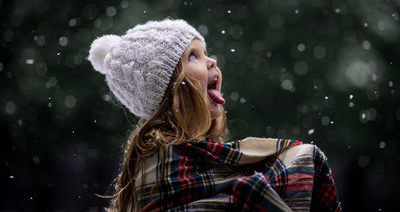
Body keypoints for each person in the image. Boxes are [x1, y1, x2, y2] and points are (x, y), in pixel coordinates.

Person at [88, 18, 341, 212]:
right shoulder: (161, 167)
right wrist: (253, 196)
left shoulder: (208, 161)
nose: (212, 62)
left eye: (206, 52)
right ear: (169, 92)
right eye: (193, 56)